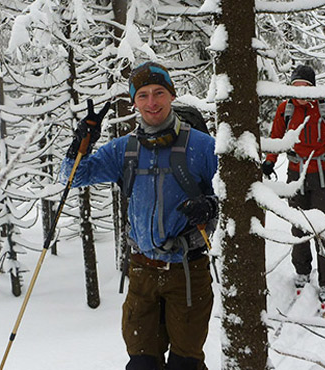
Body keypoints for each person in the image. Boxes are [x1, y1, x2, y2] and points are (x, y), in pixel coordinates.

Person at [64, 61, 218, 370]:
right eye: (143, 95)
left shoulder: (202, 146)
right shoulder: (124, 149)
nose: (152, 103)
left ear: (171, 96)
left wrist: (212, 206)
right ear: (134, 102)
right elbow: (72, 177)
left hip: (187, 272)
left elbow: (238, 191)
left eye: (159, 93)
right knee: (141, 364)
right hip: (142, 273)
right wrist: (81, 142)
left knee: (184, 365)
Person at [260, 65, 325, 307]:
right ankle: (302, 270)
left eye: (305, 87)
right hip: (295, 174)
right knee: (298, 227)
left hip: (324, 174)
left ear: (313, 87)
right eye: (296, 86)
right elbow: (277, 139)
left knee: (322, 229)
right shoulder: (285, 109)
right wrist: (269, 162)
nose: (300, 92)